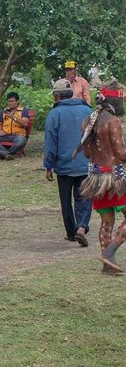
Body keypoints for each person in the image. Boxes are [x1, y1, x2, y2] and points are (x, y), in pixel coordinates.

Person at [78, 83, 126, 274]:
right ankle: (110, 252)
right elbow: (121, 154)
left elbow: (88, 153)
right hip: (115, 178)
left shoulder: (88, 121)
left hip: (96, 178)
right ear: (115, 101)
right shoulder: (113, 121)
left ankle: (108, 266)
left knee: (107, 222)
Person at [43, 79, 92, 246]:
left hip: (63, 166)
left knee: (66, 201)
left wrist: (48, 165)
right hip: (85, 164)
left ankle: (72, 232)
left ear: (57, 96)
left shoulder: (54, 114)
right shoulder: (87, 110)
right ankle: (82, 227)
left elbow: (50, 142)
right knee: (84, 197)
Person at [0, 92, 30, 160]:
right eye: (9, 101)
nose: (10, 103)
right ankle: (6, 154)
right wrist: (0, 130)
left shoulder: (23, 111)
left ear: (17, 101)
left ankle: (4, 154)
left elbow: (25, 124)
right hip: (6, 135)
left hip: (18, 135)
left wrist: (13, 117)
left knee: (22, 141)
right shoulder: (4, 111)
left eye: (12, 101)